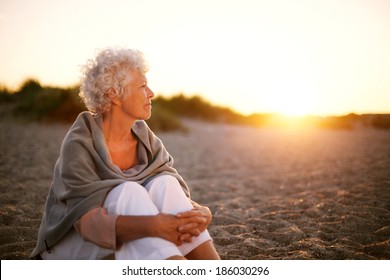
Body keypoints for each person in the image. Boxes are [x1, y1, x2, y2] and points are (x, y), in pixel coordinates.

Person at [30, 48, 220, 260]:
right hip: (72, 245)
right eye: (142, 86)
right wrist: (154, 226)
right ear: (114, 94)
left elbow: (172, 197)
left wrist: (202, 212)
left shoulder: (145, 138)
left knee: (165, 183)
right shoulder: (80, 142)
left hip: (127, 234)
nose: (151, 93)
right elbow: (87, 223)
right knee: (129, 191)